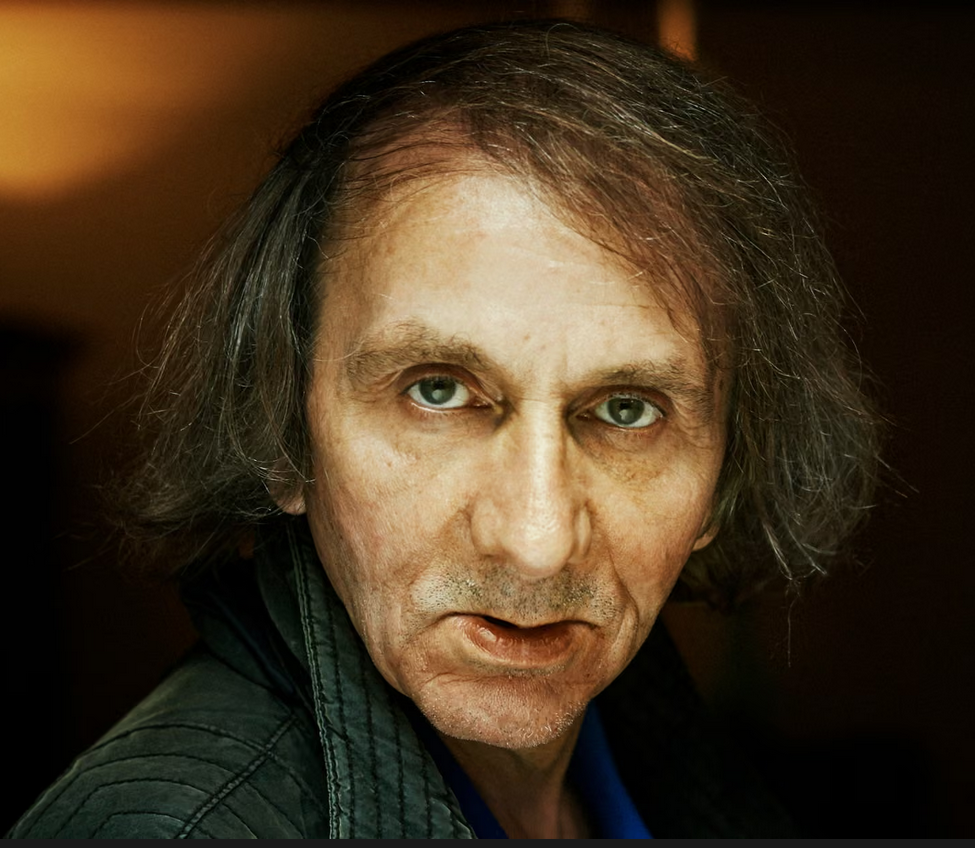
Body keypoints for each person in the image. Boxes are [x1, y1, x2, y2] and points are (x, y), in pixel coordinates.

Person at [9, 18, 880, 839]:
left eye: (626, 410)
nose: (536, 544)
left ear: (725, 475)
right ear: (282, 432)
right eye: (436, 391)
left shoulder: (667, 756)